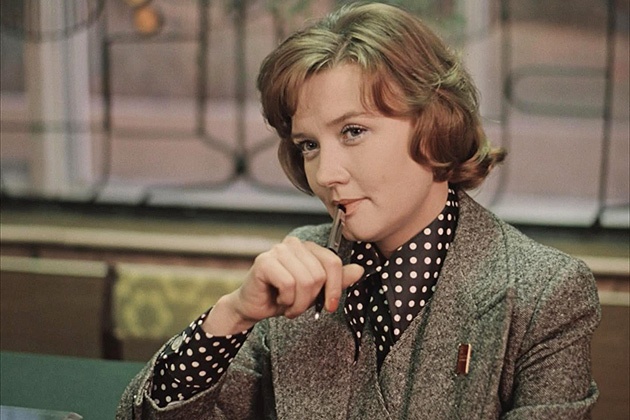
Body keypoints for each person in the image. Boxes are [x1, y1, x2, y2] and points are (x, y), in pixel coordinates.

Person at [117, 2, 600, 418]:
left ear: (436, 125)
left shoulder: (545, 294)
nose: (326, 174)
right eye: (308, 145)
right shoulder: (298, 264)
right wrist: (233, 314)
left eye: (353, 132)